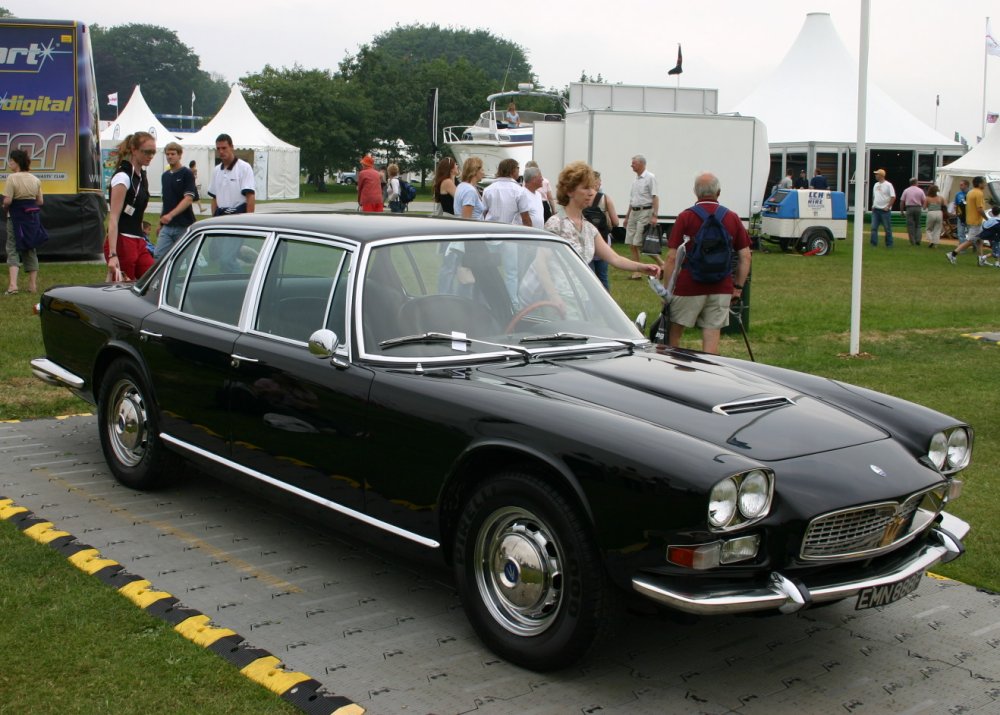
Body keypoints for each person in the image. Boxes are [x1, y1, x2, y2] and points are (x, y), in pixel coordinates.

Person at [527, 161, 657, 308]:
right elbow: (541, 264)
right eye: (585, 188)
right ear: (569, 191)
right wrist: (554, 297)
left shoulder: (589, 228)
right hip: (557, 303)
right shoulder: (556, 224)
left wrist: (642, 267)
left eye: (592, 187)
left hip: (582, 300)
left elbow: (615, 258)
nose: (591, 193)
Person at [662, 171, 752, 355]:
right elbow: (746, 256)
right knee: (712, 337)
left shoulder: (685, 217)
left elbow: (671, 258)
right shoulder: (732, 217)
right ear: (719, 192)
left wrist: (667, 290)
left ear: (695, 192)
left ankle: (672, 370)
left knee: (674, 335)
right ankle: (710, 375)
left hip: (689, 285)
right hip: (721, 286)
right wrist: (738, 287)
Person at [105, 132, 156, 281]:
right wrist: (113, 255)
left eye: (153, 152)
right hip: (123, 241)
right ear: (134, 150)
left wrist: (144, 239)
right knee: (124, 292)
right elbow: (113, 218)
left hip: (139, 241)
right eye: (146, 152)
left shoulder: (141, 178)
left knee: (153, 281)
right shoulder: (123, 177)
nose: (150, 156)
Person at [3, 148, 44, 294]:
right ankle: (32, 286)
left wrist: (4, 205)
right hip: (32, 219)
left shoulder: (12, 178)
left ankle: (13, 285)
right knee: (30, 248)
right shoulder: (35, 179)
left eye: (11, 161)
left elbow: (8, 200)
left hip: (15, 218)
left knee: (12, 248)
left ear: (17, 162)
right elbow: (40, 201)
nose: (9, 164)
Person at [157, 142, 197, 259]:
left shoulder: (187, 173)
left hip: (184, 224)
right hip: (167, 226)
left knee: (187, 257)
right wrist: (161, 222)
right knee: (159, 255)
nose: (170, 156)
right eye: (167, 154)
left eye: (173, 154)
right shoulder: (165, 176)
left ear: (179, 155)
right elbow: (166, 201)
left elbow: (188, 199)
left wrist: (170, 215)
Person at [623, 154, 659, 279]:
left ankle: (661, 263)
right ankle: (637, 272)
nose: (631, 165)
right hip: (634, 212)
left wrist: (655, 215)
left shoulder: (650, 178)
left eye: (634, 163)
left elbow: (655, 197)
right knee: (631, 243)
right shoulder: (635, 180)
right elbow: (632, 200)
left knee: (639, 243)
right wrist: (627, 217)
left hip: (645, 211)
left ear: (642, 164)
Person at [587, 171, 620, 291]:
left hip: (587, 240)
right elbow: (616, 222)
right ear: (596, 182)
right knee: (603, 276)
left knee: (589, 276)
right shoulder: (605, 198)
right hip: (603, 239)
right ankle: (606, 304)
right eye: (600, 181)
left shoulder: (582, 198)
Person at [209, 134, 255, 217]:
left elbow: (250, 196)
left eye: (224, 148)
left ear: (231, 147)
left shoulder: (244, 167)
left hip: (239, 216)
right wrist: (213, 218)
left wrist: (249, 220)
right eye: (218, 148)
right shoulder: (216, 170)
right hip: (220, 216)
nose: (221, 151)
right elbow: (214, 198)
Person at [947, 175, 989, 265]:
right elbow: (979, 209)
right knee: (971, 240)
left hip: (970, 219)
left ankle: (981, 259)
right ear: (979, 183)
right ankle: (953, 254)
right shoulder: (979, 193)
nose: (985, 184)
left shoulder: (970, 192)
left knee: (979, 240)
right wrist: (987, 219)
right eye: (983, 182)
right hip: (976, 221)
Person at [483, 158, 531, 226]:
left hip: (491, 230)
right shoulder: (519, 191)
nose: (519, 171)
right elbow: (525, 218)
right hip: (511, 232)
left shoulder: (488, 190)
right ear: (513, 170)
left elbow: (483, 213)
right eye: (518, 168)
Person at [870, 168, 896, 248]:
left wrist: (888, 207)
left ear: (881, 175)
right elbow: (875, 196)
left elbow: (893, 196)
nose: (875, 175)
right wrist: (873, 205)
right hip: (876, 209)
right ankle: (873, 244)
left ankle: (889, 244)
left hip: (884, 210)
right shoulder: (876, 185)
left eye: (877, 174)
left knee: (887, 228)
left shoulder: (888, 185)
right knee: (873, 228)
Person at [900, 178, 926, 246]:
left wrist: (902, 211)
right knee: (918, 225)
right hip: (918, 208)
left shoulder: (906, 190)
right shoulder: (920, 190)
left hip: (909, 208)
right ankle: (918, 240)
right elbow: (924, 200)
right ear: (916, 183)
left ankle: (913, 241)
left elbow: (902, 201)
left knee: (910, 225)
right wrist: (923, 207)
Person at [923, 184, 947, 249]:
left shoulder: (927, 198)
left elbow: (924, 207)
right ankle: (936, 243)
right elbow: (945, 205)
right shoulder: (941, 198)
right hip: (939, 213)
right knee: (937, 229)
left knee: (928, 229)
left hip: (931, 213)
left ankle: (931, 241)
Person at [952, 179, 969, 245]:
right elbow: (956, 204)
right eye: (960, 185)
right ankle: (962, 249)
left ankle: (975, 247)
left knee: (971, 233)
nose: (960, 186)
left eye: (961, 185)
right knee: (960, 233)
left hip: (969, 216)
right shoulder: (958, 194)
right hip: (960, 216)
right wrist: (956, 213)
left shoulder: (971, 193)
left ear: (966, 185)